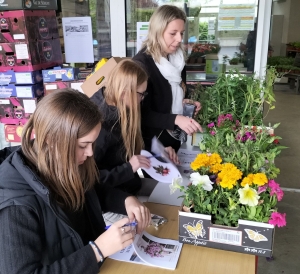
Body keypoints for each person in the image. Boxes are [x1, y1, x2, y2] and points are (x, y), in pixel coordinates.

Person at [0, 89, 151, 274]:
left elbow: (92, 191)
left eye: (92, 144)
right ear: (50, 139)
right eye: (83, 145)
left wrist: (126, 200)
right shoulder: (15, 205)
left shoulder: (64, 161)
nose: (90, 153)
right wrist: (96, 251)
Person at [90, 59, 179, 195]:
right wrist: (128, 168)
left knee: (175, 192)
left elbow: (131, 141)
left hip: (128, 185)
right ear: (124, 92)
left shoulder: (122, 107)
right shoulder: (99, 126)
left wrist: (159, 151)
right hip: (111, 197)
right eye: (141, 94)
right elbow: (90, 180)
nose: (142, 98)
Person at [133, 5, 203, 152]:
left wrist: (188, 104)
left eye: (181, 33)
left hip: (175, 139)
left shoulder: (178, 60)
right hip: (151, 146)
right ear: (157, 32)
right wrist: (176, 119)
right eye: (173, 33)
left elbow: (177, 94)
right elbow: (138, 113)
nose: (179, 39)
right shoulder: (142, 64)